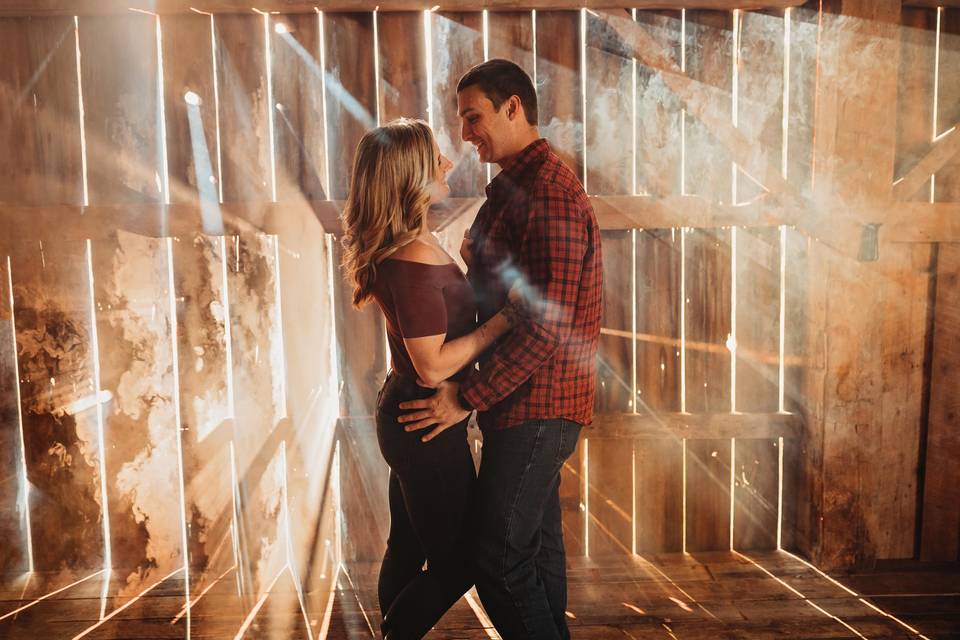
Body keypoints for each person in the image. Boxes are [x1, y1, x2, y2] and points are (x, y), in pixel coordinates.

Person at [398, 59, 603, 639]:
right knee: (534, 552)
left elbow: (548, 325)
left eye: (474, 117)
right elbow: (504, 296)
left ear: (514, 107)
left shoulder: (550, 196)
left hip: (541, 404)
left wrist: (466, 395)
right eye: (462, 119)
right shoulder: (513, 189)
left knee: (497, 559)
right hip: (521, 401)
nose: (464, 132)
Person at [340, 118, 522, 639]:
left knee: (408, 546)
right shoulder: (411, 259)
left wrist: (466, 268)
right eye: (434, 157)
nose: (448, 162)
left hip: (411, 414)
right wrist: (505, 320)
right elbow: (434, 365)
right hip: (426, 423)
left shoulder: (414, 245)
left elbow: (440, 318)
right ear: (406, 176)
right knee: (460, 563)